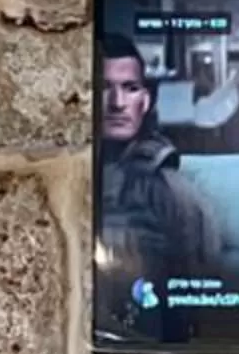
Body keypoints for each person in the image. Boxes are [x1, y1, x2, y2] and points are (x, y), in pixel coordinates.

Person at [95, 35, 221, 335]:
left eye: (130, 88)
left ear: (146, 100)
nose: (117, 103)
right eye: (102, 88)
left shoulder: (167, 189)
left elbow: (197, 293)